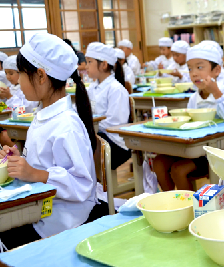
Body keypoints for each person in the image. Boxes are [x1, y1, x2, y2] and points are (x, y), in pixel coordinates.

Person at [0, 33, 97, 250]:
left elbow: (82, 184)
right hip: (40, 206)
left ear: (41, 76)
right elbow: (41, 163)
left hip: (62, 219)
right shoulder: (44, 115)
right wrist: (19, 161)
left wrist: (35, 174)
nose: (18, 82)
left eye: (22, 75)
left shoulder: (67, 125)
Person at [153, 41, 224, 193]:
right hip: (197, 148)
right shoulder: (194, 98)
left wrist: (217, 94)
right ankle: (173, 203)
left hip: (220, 151)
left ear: (217, 70)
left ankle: (191, 211)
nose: (194, 73)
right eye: (190, 69)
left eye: (200, 67)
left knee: (178, 170)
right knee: (159, 163)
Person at [85, 42, 131, 170]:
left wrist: (91, 125)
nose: (86, 66)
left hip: (115, 143)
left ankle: (98, 188)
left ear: (104, 65)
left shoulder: (116, 89)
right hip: (99, 136)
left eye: (89, 62)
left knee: (82, 148)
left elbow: (115, 124)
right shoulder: (92, 87)